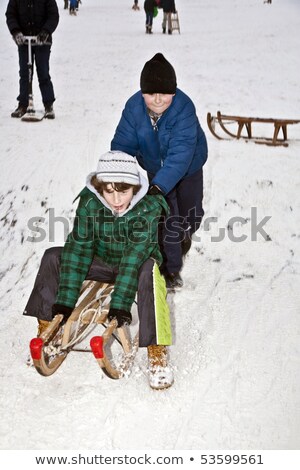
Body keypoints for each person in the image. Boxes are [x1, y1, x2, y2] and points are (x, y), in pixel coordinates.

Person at [24, 151, 173, 390]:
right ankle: (47, 328)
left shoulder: (148, 207)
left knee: (150, 273)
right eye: (109, 191)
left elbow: (133, 259)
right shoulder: (91, 202)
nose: (116, 200)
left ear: (134, 188)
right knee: (53, 256)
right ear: (100, 187)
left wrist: (119, 306)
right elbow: (80, 247)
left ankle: (157, 351)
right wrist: (65, 301)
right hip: (102, 262)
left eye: (123, 191)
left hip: (135, 265)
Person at [111, 53, 208, 290]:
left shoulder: (183, 108)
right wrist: (116, 177)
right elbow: (123, 146)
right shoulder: (134, 109)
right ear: (142, 92)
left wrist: (158, 186)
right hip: (155, 168)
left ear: (173, 92)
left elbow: (180, 155)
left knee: (191, 215)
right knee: (166, 219)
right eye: (150, 93)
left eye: (164, 93)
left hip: (188, 167)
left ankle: (185, 234)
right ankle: (170, 269)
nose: (157, 99)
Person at [5, 0, 59, 119]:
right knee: (25, 73)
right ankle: (23, 104)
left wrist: (46, 31)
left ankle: (48, 104)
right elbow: (10, 14)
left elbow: (53, 15)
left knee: (43, 72)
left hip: (42, 41)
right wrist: (15, 31)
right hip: (24, 41)